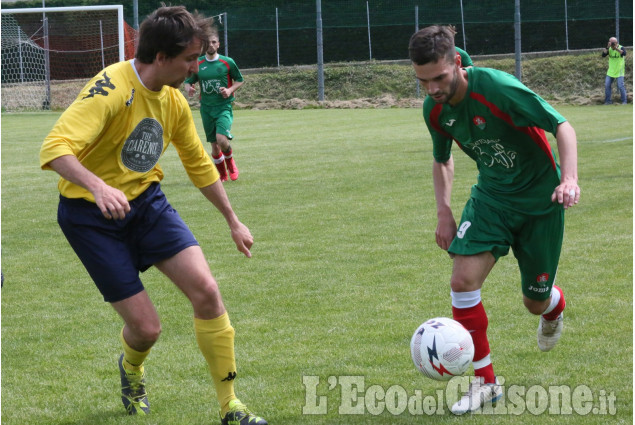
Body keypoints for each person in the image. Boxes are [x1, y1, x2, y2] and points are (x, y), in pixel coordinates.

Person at [39, 6, 267, 425]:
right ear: (162, 58)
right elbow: (54, 148)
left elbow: (199, 164)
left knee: (207, 291)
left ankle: (230, 405)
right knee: (147, 330)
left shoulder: (174, 102)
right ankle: (131, 369)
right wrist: (99, 186)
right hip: (89, 218)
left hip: (146, 205)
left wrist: (233, 220)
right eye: (189, 60)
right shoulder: (111, 86)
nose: (195, 68)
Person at [409, 25, 580, 415]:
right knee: (462, 280)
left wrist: (569, 179)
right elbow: (441, 159)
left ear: (456, 62)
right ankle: (486, 383)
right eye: (423, 81)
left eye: (439, 78)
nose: (433, 89)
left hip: (540, 201)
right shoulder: (434, 109)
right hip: (491, 200)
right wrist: (444, 211)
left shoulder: (498, 88)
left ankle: (553, 303)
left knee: (533, 304)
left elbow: (562, 125)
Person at [184, 32, 244, 182]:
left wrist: (230, 90)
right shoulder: (198, 63)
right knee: (215, 146)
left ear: (218, 44)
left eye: (213, 42)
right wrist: (189, 89)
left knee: (221, 139)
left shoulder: (227, 62)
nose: (210, 45)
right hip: (206, 109)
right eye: (207, 43)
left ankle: (231, 164)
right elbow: (187, 82)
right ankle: (222, 174)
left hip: (223, 107)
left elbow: (239, 80)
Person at [602, 37, 627, 105]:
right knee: (607, 85)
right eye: (611, 42)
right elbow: (603, 55)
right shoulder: (609, 49)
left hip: (619, 71)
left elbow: (624, 53)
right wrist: (607, 47)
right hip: (611, 71)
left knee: (620, 86)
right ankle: (608, 101)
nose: (612, 44)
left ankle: (624, 101)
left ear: (617, 42)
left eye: (614, 42)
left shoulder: (621, 47)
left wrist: (615, 48)